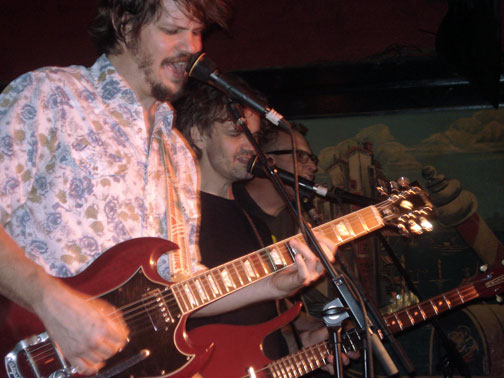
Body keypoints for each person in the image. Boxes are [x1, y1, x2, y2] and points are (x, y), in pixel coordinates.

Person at [0, 1, 336, 375]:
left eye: (195, 33)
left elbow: (182, 286)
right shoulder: (51, 96)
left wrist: (274, 283)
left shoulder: (176, 152)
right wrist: (50, 300)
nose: (192, 48)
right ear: (125, 25)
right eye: (172, 31)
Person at [175, 78, 353, 375]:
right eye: (236, 133)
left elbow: (262, 324)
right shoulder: (175, 215)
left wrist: (304, 343)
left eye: (254, 137)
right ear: (198, 134)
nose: (250, 147)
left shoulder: (253, 220)